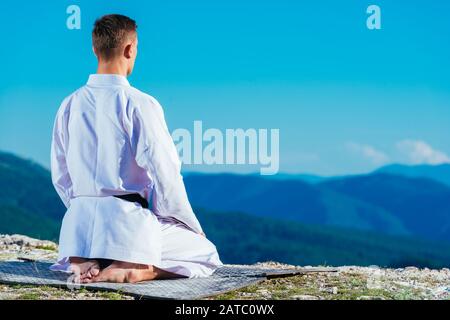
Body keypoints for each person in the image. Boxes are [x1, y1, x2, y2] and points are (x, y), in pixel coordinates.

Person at [49, 14, 223, 283]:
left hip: (78, 230)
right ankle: (136, 268)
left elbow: (61, 175)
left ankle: (89, 259)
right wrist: (189, 224)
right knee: (204, 251)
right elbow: (165, 172)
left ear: (95, 49)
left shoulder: (69, 105)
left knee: (99, 236)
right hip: (127, 223)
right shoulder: (140, 103)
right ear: (130, 49)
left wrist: (83, 209)